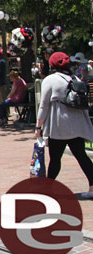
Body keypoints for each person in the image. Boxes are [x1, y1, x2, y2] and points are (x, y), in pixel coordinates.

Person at [36, 52, 93, 197]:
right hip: (77, 124)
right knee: (82, 156)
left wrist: (38, 127)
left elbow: (44, 106)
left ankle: (48, 189)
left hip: (59, 124)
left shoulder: (50, 80)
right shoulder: (75, 78)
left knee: (55, 159)